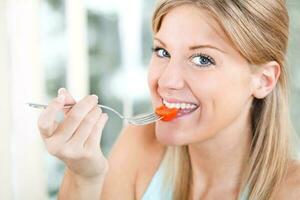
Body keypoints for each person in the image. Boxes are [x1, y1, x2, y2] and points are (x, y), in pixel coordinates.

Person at [37, 0, 300, 199]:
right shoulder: (139, 146)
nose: (166, 81)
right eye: (162, 51)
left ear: (263, 80)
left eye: (202, 59)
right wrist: (84, 176)